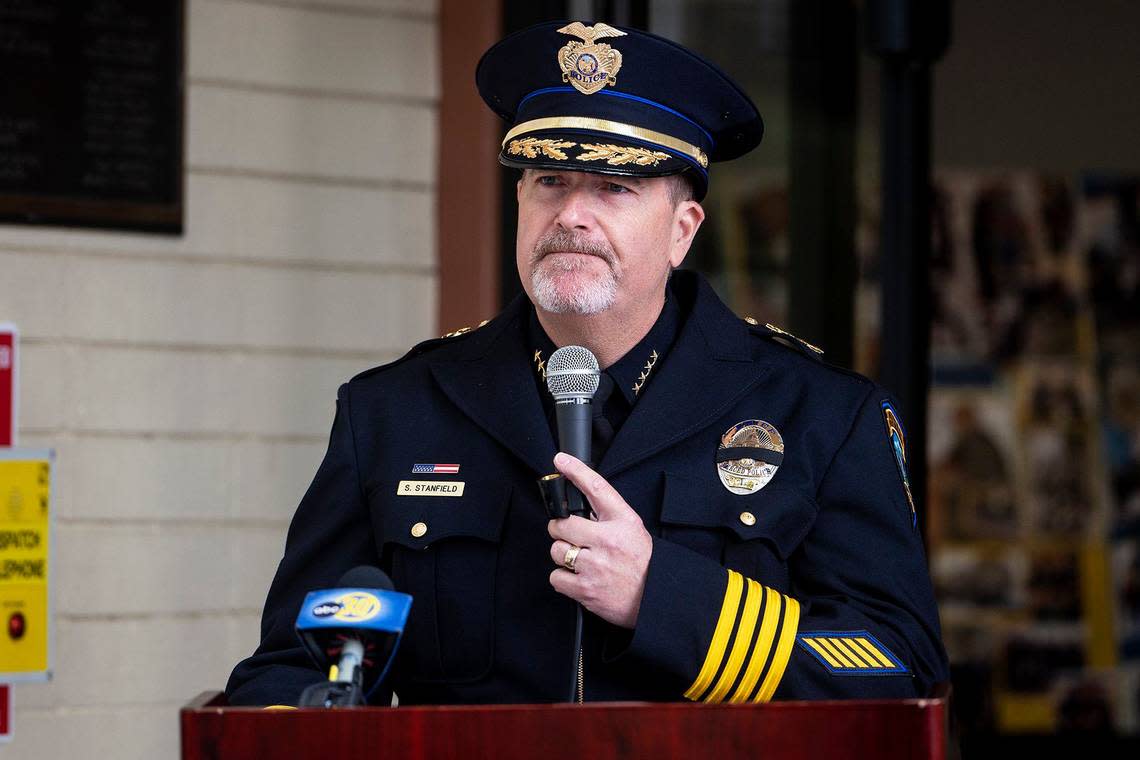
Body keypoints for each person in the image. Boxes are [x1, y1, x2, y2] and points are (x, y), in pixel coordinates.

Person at [227, 20, 948, 706]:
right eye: (549, 181)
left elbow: (900, 664)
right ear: (519, 201)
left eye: (613, 187)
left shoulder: (822, 413)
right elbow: (299, 663)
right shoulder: (397, 410)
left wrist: (661, 597)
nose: (572, 214)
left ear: (682, 230)